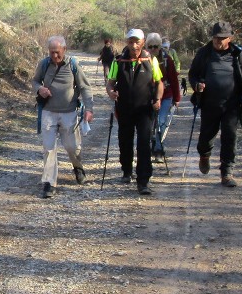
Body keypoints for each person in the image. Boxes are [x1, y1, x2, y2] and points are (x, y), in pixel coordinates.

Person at [188, 21, 242, 188]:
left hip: (231, 104)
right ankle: (204, 155)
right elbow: (192, 75)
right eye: (215, 38)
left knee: (230, 137)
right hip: (209, 103)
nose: (218, 41)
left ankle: (227, 172)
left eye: (222, 38)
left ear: (230, 38)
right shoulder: (204, 53)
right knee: (206, 137)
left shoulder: (238, 54)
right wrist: (197, 86)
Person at [33, 35, 94, 198]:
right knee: (49, 147)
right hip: (48, 112)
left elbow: (85, 87)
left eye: (57, 52)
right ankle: (49, 183)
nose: (54, 56)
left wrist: (89, 109)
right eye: (51, 52)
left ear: (64, 50)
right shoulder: (44, 64)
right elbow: (35, 82)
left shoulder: (73, 65)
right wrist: (40, 89)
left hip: (69, 113)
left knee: (72, 147)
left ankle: (78, 166)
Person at [105, 28, 163, 195]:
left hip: (145, 109)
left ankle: (143, 181)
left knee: (144, 143)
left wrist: (158, 99)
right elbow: (110, 82)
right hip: (124, 108)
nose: (134, 45)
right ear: (127, 42)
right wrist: (111, 92)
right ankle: (126, 170)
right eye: (131, 41)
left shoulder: (151, 60)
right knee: (125, 141)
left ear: (143, 42)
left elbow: (159, 82)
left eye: (137, 41)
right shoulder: (118, 61)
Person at [145, 33, 181, 148]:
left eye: (155, 46)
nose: (153, 49)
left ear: (160, 46)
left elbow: (174, 79)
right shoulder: (142, 59)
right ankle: (151, 141)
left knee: (161, 121)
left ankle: (158, 148)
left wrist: (177, 98)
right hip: (147, 96)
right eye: (150, 46)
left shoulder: (167, 59)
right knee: (149, 123)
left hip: (166, 95)